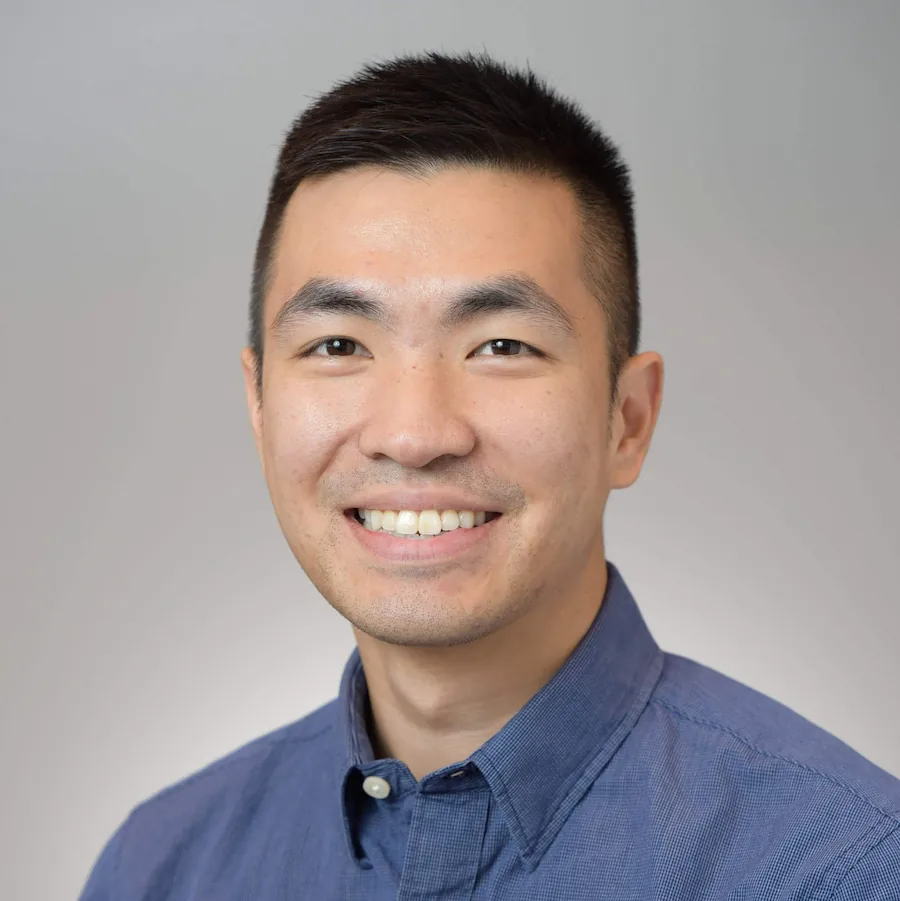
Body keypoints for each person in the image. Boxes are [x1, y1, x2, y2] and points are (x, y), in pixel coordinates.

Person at [79, 51, 900, 900]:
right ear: (259, 406)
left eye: (501, 346)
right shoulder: (161, 867)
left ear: (629, 417)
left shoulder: (847, 867)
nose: (414, 431)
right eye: (339, 346)